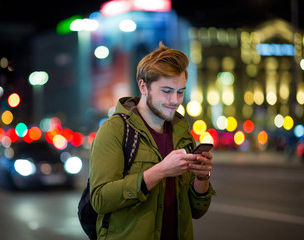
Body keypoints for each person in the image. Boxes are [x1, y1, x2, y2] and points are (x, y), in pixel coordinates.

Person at [89, 42, 215, 240]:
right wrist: (161, 170)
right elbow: (100, 199)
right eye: (166, 91)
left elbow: (197, 211)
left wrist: (202, 177)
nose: (175, 100)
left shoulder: (182, 134)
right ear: (143, 86)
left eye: (180, 91)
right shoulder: (115, 130)